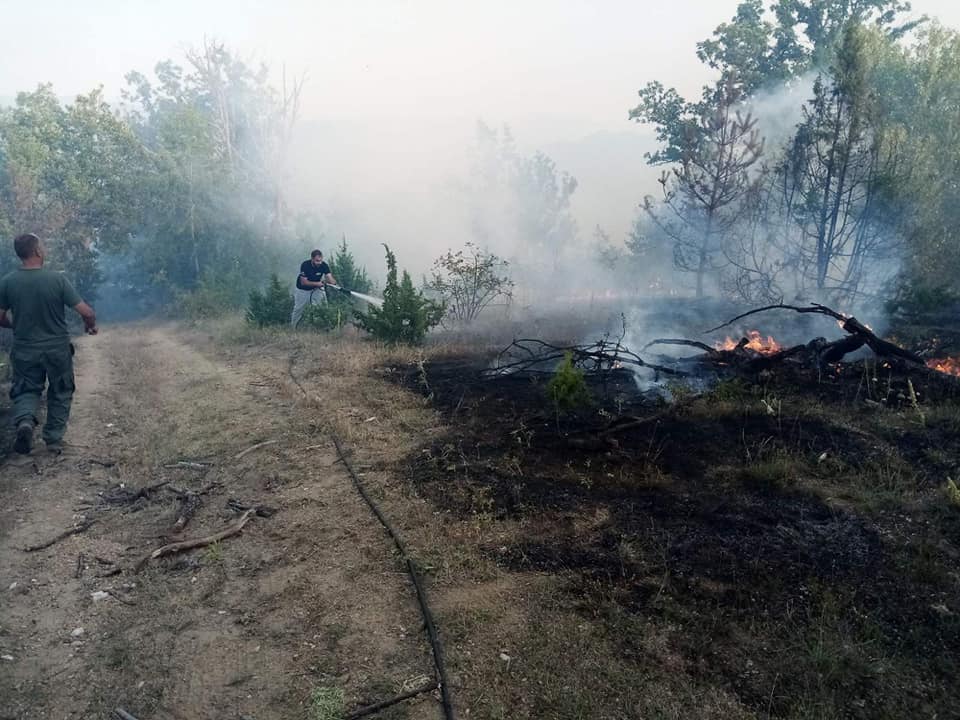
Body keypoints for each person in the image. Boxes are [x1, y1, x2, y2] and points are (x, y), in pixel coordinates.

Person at [0, 234, 98, 454]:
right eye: (42, 245)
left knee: (26, 389)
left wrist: (16, 326)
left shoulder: (7, 282)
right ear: (37, 251)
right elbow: (86, 311)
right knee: (61, 390)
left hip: (24, 348)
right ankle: (53, 440)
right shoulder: (57, 279)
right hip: (56, 348)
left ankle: (25, 422)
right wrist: (90, 325)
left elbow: (0, 317)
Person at [291, 249, 337, 328]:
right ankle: (293, 328)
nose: (319, 262)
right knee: (298, 309)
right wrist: (318, 284)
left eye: (320, 260)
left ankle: (325, 328)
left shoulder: (324, 265)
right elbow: (304, 282)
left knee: (323, 307)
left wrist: (334, 283)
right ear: (312, 259)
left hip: (316, 290)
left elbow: (329, 277)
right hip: (302, 290)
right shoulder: (305, 265)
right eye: (317, 261)